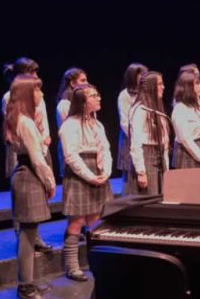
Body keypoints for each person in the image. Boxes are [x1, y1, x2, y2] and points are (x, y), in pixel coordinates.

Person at [4, 75, 56, 299]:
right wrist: (50, 181)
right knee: (27, 235)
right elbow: (37, 158)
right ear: (27, 94)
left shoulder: (19, 118)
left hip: (25, 176)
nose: (41, 95)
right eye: (37, 91)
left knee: (28, 233)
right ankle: (26, 287)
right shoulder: (25, 122)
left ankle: (28, 284)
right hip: (30, 176)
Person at [59, 84, 113, 281]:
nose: (99, 98)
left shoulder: (97, 125)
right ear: (82, 101)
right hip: (81, 173)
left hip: (98, 171)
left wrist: (106, 172)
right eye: (93, 95)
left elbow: (106, 150)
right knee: (77, 221)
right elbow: (71, 156)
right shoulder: (69, 125)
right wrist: (90, 176)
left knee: (95, 221)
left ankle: (94, 261)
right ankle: (72, 267)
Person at [124, 71, 170, 195]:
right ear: (151, 87)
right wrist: (141, 172)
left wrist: (167, 168)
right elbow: (136, 144)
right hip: (147, 158)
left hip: (159, 157)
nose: (163, 87)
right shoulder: (140, 110)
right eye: (160, 84)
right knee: (149, 198)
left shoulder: (156, 109)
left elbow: (164, 140)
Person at [171, 72, 200, 168]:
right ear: (188, 87)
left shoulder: (197, 106)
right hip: (187, 152)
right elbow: (185, 139)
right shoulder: (180, 108)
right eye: (197, 84)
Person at [55, 68, 88, 178]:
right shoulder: (65, 104)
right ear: (73, 83)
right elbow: (69, 131)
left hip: (84, 148)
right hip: (71, 149)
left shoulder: (82, 102)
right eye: (83, 80)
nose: (86, 83)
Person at [117, 63, 148, 177]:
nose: (144, 78)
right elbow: (125, 122)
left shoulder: (145, 93)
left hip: (145, 138)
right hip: (130, 138)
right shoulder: (124, 95)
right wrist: (137, 138)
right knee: (131, 174)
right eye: (142, 75)